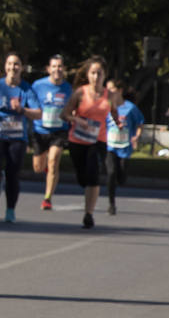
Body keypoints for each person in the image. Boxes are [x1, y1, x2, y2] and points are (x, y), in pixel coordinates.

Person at [60, 57, 121, 229]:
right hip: (77, 141)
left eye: (99, 73)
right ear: (88, 75)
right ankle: (85, 186)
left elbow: (114, 113)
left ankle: (89, 214)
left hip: (98, 141)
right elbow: (64, 115)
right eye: (93, 73)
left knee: (93, 175)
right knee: (82, 177)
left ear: (104, 75)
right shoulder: (80, 93)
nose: (96, 77)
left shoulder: (110, 96)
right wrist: (76, 120)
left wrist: (119, 122)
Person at [0, 51, 40, 223]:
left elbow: (38, 113)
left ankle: (10, 209)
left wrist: (23, 110)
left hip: (17, 137)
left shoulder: (26, 89)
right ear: (5, 67)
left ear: (21, 68)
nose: (13, 67)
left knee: (13, 173)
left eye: (16, 64)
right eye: (10, 63)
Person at [30, 54, 72, 210]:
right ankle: (47, 167)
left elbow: (72, 107)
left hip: (59, 131)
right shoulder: (37, 85)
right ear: (48, 69)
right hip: (40, 130)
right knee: (38, 168)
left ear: (64, 69)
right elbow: (31, 103)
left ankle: (47, 198)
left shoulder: (68, 88)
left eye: (60, 66)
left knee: (54, 160)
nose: (57, 69)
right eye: (54, 66)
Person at [104, 79, 144, 216]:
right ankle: (111, 204)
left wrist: (136, 136)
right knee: (110, 173)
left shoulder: (130, 108)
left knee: (121, 177)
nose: (108, 92)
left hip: (125, 148)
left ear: (119, 91)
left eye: (111, 89)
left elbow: (140, 123)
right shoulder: (105, 107)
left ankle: (121, 178)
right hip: (110, 147)